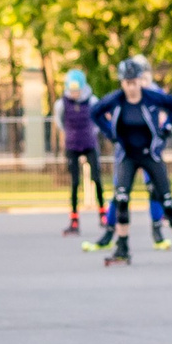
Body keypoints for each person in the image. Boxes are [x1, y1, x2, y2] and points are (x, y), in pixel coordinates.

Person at [89, 57, 172, 265]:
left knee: (167, 202)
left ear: (141, 80)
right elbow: (95, 112)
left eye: (134, 82)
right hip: (127, 156)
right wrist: (110, 133)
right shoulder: (116, 100)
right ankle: (122, 248)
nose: (131, 88)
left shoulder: (151, 97)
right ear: (122, 82)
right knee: (121, 198)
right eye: (127, 83)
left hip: (150, 155)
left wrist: (167, 129)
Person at [57, 69, 107, 239]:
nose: (74, 93)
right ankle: (74, 219)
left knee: (97, 179)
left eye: (77, 90)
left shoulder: (92, 101)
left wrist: (92, 132)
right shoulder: (62, 103)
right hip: (72, 145)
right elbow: (59, 121)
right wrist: (69, 133)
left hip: (89, 143)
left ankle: (103, 214)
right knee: (74, 183)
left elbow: (99, 120)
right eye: (72, 90)